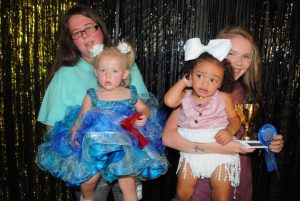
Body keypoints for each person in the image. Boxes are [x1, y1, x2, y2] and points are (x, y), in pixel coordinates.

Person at [37, 4, 149, 201]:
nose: (85, 35)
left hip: (126, 152)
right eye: (77, 33)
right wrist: (72, 153)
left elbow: (144, 107)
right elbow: (51, 127)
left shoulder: (127, 66)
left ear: (100, 28)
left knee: (129, 191)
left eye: (89, 27)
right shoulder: (64, 75)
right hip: (89, 155)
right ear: (71, 41)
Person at [162, 26, 284, 201]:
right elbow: (168, 137)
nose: (238, 62)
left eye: (246, 56)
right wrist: (220, 148)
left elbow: (242, 132)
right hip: (201, 182)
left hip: (238, 177)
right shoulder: (196, 90)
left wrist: (267, 142)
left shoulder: (243, 91)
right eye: (231, 53)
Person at [164, 38, 243, 201]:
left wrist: (229, 130)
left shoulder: (223, 98)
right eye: (200, 76)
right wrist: (184, 82)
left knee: (221, 196)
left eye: (213, 80)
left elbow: (235, 119)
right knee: (182, 193)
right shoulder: (185, 96)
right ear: (191, 73)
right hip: (191, 152)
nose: (205, 83)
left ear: (220, 83)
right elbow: (169, 101)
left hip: (219, 151)